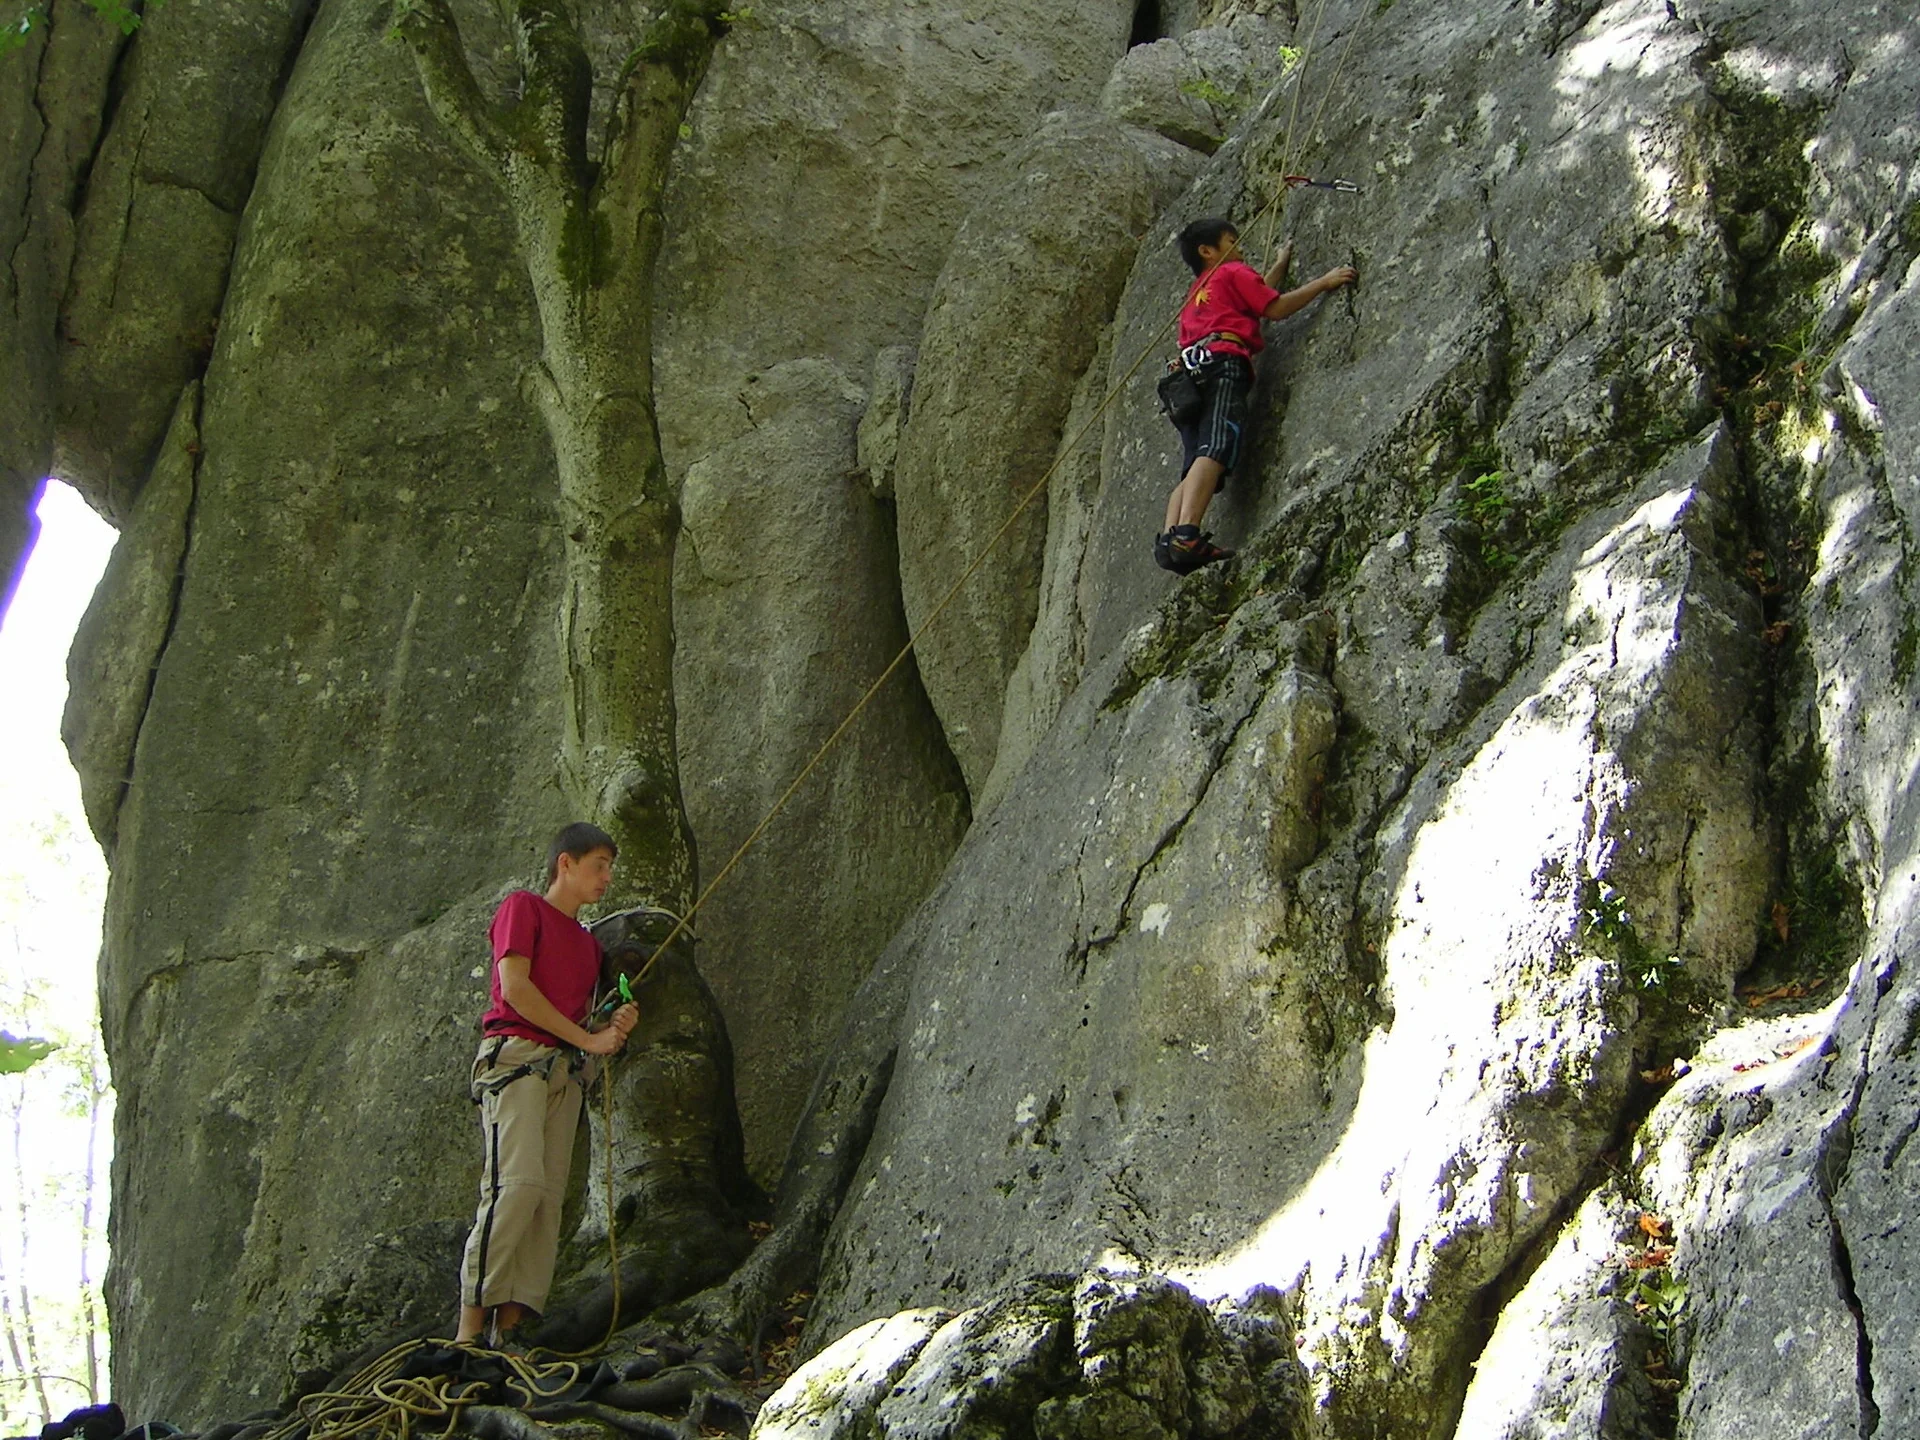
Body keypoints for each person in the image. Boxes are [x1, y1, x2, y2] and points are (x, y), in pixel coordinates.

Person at [452, 822, 639, 1348]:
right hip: (517, 1059)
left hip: (563, 1071)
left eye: (609, 867)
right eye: (598, 865)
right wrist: (588, 1036)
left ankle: (508, 1333)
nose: (606, 877)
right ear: (566, 864)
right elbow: (515, 990)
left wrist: (609, 1029)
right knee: (518, 1187)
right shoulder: (523, 908)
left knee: (547, 1199)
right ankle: (468, 1332)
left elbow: (582, 1024)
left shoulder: (586, 944)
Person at [1155, 217, 1358, 573]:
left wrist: (1280, 264)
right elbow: (1273, 307)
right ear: (1208, 250)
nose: (1241, 248)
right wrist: (1324, 282)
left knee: (1193, 460)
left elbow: (1257, 293)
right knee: (1215, 446)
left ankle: (1169, 539)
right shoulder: (1232, 271)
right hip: (1222, 362)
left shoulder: (1196, 295)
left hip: (1189, 375)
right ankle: (1188, 534)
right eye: (1232, 241)